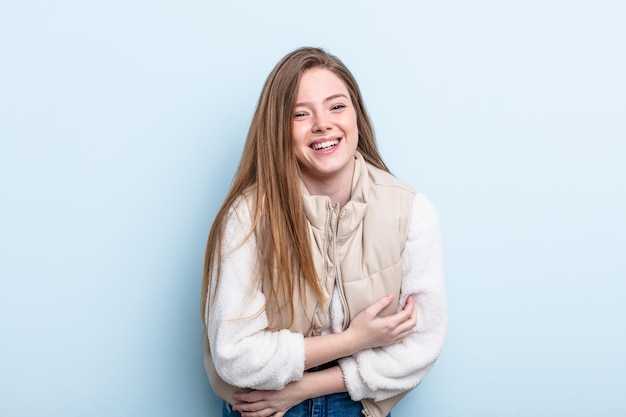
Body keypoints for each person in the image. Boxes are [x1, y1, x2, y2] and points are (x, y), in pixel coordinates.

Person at [201, 47, 447, 417]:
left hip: (357, 404)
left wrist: (307, 387)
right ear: (278, 129)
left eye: (336, 106)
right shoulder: (247, 216)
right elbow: (234, 357)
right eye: (301, 114)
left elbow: (421, 346)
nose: (323, 124)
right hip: (263, 408)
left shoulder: (410, 210)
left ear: (357, 117)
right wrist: (354, 341)